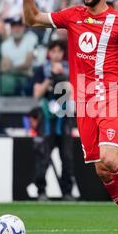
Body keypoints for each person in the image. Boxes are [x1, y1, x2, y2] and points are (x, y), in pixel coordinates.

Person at [22, 0, 118, 234]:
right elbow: (32, 20)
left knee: (109, 158)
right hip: (84, 102)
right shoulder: (72, 16)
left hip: (112, 96)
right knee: (102, 170)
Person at [32, 40, 75, 201]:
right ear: (49, 53)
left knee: (67, 157)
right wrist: (49, 79)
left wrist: (63, 78)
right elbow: (37, 93)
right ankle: (41, 191)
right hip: (47, 119)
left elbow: (74, 92)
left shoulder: (70, 69)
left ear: (63, 53)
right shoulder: (41, 69)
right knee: (43, 157)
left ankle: (67, 192)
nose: (57, 54)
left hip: (64, 120)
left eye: (60, 51)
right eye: (53, 51)